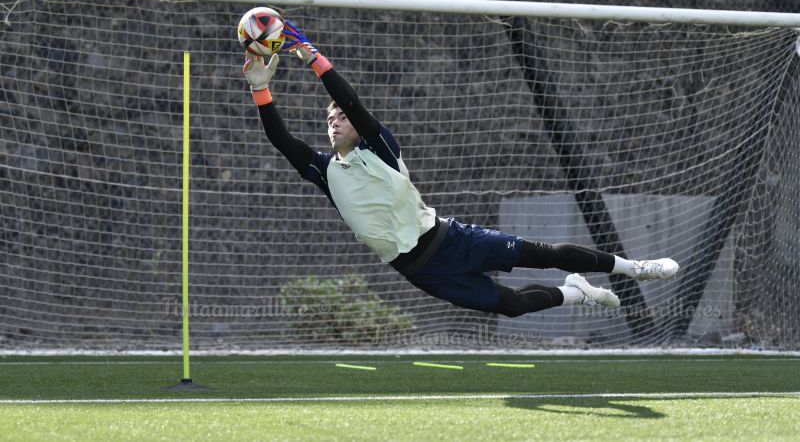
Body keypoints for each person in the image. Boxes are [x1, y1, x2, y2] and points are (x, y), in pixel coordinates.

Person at [242, 20, 679, 318]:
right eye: (329, 119)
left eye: (341, 117)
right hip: (419, 270)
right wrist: (261, 88)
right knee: (509, 305)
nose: (334, 122)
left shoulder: (380, 147)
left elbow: (352, 102)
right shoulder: (325, 172)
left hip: (451, 238)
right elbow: (283, 141)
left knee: (543, 255)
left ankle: (633, 267)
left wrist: (312, 55)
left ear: (357, 125)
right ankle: (576, 293)